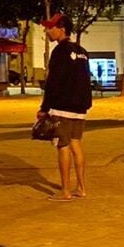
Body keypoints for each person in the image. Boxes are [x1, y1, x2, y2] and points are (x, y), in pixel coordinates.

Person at [38, 12, 92, 201]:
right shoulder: (82, 52)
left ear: (61, 29)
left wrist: (44, 108)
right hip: (80, 108)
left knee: (63, 146)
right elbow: (86, 80)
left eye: (50, 28)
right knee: (76, 144)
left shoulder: (59, 51)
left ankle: (65, 191)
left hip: (62, 107)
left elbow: (53, 82)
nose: (47, 31)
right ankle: (81, 188)